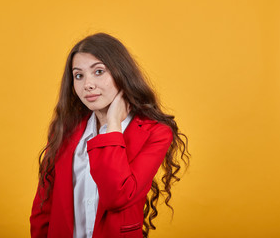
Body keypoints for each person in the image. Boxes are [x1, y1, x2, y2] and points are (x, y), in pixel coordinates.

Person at [30, 33, 190, 238]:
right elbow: (43, 207)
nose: (87, 84)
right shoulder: (65, 129)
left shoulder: (156, 132)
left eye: (98, 72)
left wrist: (112, 124)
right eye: (79, 75)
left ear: (121, 73)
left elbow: (117, 197)